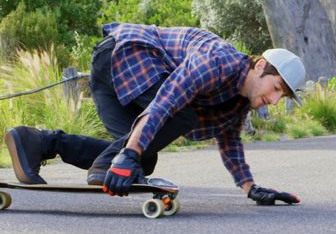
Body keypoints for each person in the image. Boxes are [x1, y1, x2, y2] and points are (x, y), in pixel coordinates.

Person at [4, 22, 304, 205]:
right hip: (125, 55)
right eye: (277, 88)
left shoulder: (238, 101)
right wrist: (128, 154)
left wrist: (250, 188)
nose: (275, 100)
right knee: (172, 122)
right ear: (261, 66)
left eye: (282, 97)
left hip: (118, 75)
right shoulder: (219, 61)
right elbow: (168, 99)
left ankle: (40, 142)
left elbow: (230, 144)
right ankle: (110, 163)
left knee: (144, 158)